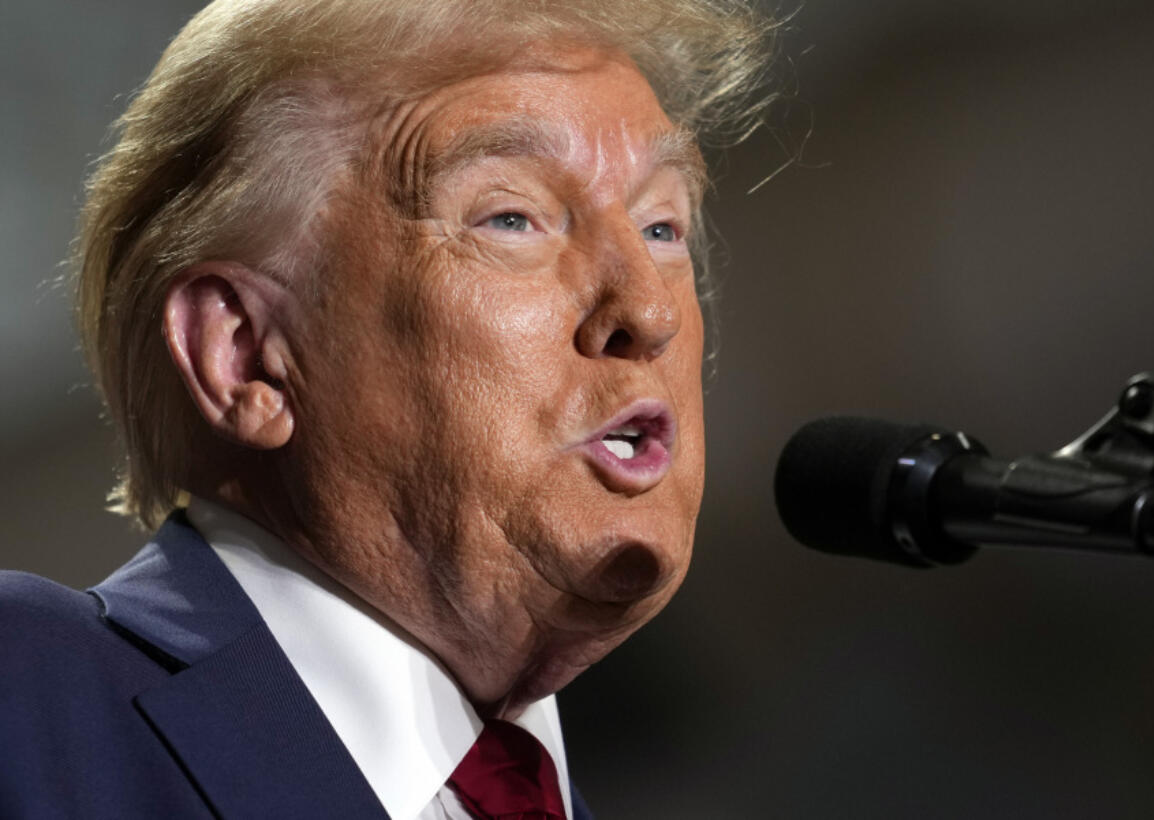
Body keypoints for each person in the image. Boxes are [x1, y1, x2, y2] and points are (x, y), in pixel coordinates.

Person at [0, 0, 774, 817]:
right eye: (511, 218)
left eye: (661, 227)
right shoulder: (32, 704)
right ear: (245, 356)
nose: (649, 313)